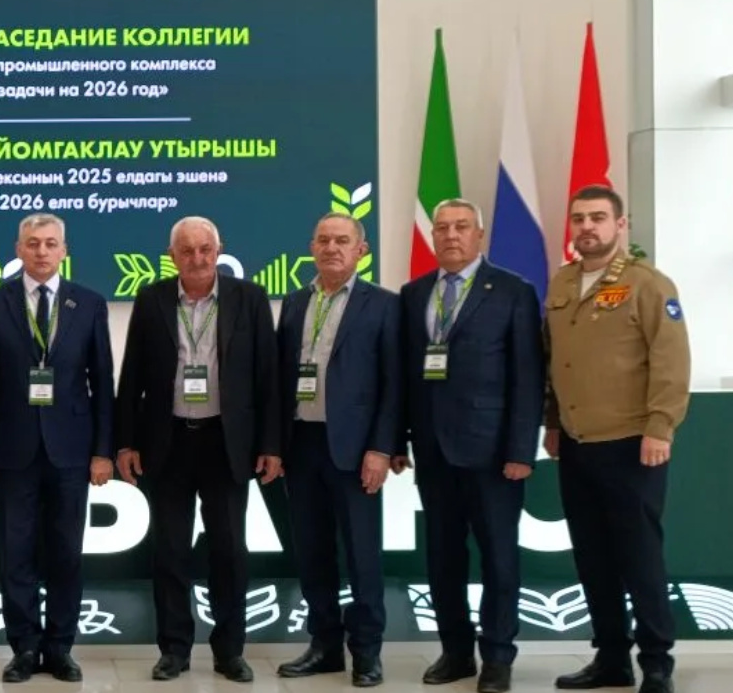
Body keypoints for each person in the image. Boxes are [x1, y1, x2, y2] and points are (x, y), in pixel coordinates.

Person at [115, 216, 280, 685]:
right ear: (173, 257)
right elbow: (132, 375)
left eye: (205, 249)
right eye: (187, 250)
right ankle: (174, 650)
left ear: (219, 250)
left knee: (229, 551)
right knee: (170, 551)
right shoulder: (152, 299)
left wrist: (271, 444)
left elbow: (267, 376)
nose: (197, 258)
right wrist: (125, 441)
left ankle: (230, 651)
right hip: (167, 442)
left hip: (226, 443)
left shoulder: (248, 298)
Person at [543, 186, 690, 693]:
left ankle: (657, 663)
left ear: (620, 225)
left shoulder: (648, 283)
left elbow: (671, 362)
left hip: (631, 443)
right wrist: (553, 422)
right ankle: (611, 659)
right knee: (593, 558)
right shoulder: (563, 281)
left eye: (598, 218)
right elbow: (555, 361)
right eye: (579, 218)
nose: (587, 227)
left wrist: (660, 426)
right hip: (577, 442)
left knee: (639, 558)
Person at [396, 200, 544, 693]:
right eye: (442, 228)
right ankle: (455, 652)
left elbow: (527, 377)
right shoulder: (414, 294)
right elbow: (404, 376)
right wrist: (397, 440)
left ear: (480, 235)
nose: (451, 235)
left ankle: (498, 657)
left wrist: (521, 451)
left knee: (499, 558)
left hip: (494, 455)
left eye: (461, 227)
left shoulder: (513, 291)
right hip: (433, 452)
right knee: (443, 558)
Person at [0, 214, 115, 684]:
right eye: (33, 243)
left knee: (67, 553)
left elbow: (102, 382)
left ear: (64, 251)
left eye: (51, 243)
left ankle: (61, 647)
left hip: (72, 451)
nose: (42, 251)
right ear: (18, 249)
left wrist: (103, 451)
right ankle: (25, 648)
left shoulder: (88, 303)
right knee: (17, 553)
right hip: (12, 451)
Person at [273, 212, 399, 688]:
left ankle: (366, 652)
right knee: (313, 552)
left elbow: (394, 384)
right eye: (323, 240)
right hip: (301, 444)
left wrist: (382, 448)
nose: (331, 248)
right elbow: (281, 378)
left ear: (360, 250)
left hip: (356, 448)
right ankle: (324, 645)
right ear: (311, 247)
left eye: (342, 240)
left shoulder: (383, 305)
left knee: (362, 555)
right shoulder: (295, 302)